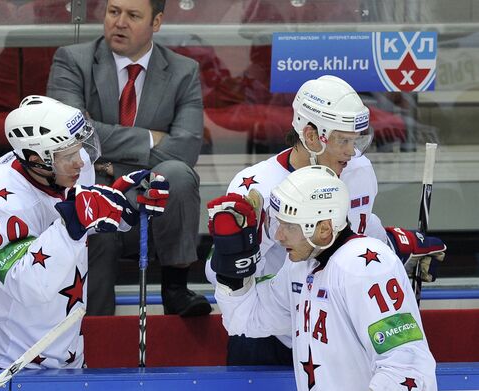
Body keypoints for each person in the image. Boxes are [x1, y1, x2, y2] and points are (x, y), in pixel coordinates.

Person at [205, 75, 446, 365]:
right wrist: (247, 249)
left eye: (356, 140)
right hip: (266, 333)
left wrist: (392, 246)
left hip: (332, 329)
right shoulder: (256, 187)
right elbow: (219, 270)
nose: (351, 151)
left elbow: (356, 228)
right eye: (342, 140)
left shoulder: (358, 170)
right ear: (309, 135)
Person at [0, 95, 168, 369]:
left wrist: (123, 209)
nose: (82, 162)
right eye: (68, 155)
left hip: (62, 350)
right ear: (37, 160)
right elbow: (27, 285)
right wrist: (73, 220)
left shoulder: (68, 168)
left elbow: (77, 227)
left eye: (80, 148)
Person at [46, 0, 210, 317]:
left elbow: (187, 149)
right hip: (91, 191)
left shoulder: (183, 71)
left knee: (176, 172)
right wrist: (150, 137)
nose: (119, 22)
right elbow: (72, 135)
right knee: (100, 231)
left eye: (133, 15)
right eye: (113, 12)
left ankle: (175, 289)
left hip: (148, 197)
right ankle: (92, 331)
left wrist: (109, 157)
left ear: (157, 22)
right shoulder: (72, 61)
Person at [209, 165, 438, 390]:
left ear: (324, 228)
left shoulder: (367, 267)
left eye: (289, 226)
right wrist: (233, 267)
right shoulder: (300, 266)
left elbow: (408, 368)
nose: (278, 236)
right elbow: (248, 320)